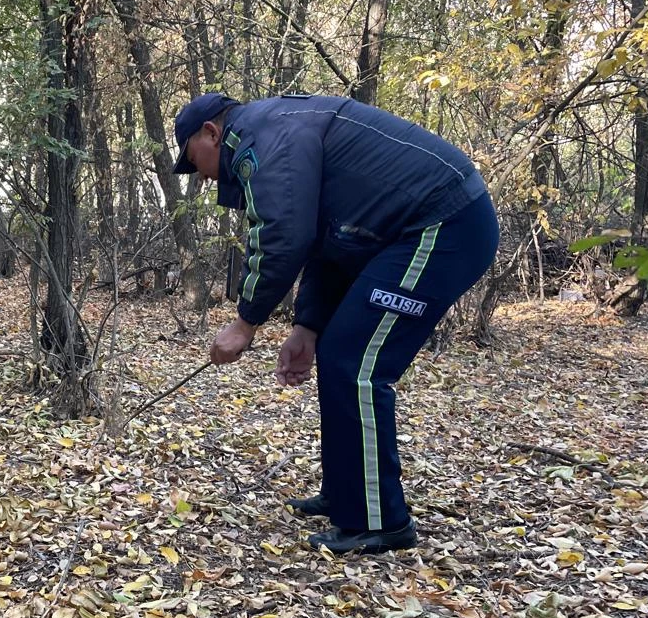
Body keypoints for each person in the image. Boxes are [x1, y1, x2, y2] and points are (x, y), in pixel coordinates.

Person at [172, 92, 499, 554]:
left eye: (194, 160)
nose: (202, 176)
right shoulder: (276, 128)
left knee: (357, 365)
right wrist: (306, 327)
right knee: (338, 352)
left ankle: (380, 521)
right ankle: (349, 493)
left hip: (444, 223)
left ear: (211, 132)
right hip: (409, 230)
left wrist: (245, 323)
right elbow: (329, 242)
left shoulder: (263, 137)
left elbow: (284, 234)